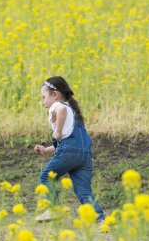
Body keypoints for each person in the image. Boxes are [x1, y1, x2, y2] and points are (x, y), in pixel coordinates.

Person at [34, 76, 105, 223]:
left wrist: (57, 131)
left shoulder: (58, 106)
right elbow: (69, 140)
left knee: (46, 177)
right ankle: (100, 220)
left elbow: (60, 112)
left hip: (70, 152)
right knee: (83, 190)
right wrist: (46, 150)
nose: (43, 102)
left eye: (43, 97)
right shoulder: (73, 112)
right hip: (84, 156)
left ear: (54, 95)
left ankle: (54, 209)